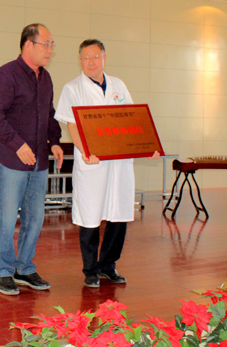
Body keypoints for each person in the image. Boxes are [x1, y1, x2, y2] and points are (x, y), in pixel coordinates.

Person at [54, 39, 156, 288]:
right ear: (80, 60)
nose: (91, 62)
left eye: (96, 57)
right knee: (90, 215)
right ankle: (90, 269)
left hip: (119, 163)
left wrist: (146, 147)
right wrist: (85, 151)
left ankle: (108, 266)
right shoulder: (73, 88)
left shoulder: (118, 85)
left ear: (104, 58)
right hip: (93, 163)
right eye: (86, 57)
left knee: (118, 214)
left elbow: (132, 119)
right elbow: (72, 126)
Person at [0, 23, 64, 296]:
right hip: (11, 160)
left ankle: (25, 268)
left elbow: (49, 114)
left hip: (39, 161)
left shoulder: (46, 78)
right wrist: (17, 145)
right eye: (46, 44)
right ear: (28, 45)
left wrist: (55, 141)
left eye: (52, 45)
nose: (50, 50)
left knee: (35, 218)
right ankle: (3, 271)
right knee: (7, 219)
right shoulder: (6, 74)